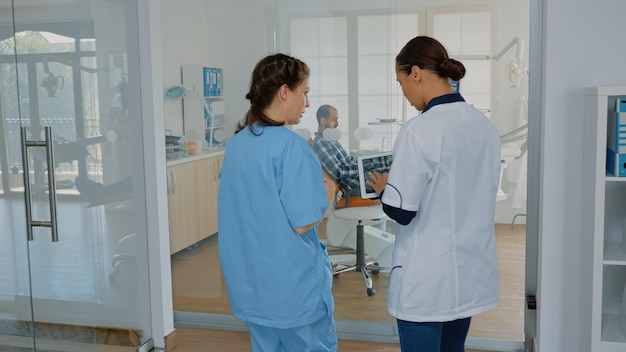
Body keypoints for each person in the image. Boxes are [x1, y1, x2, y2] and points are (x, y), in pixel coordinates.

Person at [367, 36, 501, 352]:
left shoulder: (419, 130)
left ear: (416, 73)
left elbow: (402, 211)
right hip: (467, 272)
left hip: (427, 281)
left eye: (401, 84)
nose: (405, 94)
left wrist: (386, 189)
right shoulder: (483, 126)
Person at [217, 53, 337, 352]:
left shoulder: (238, 144)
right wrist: (330, 191)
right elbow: (303, 222)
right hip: (291, 289)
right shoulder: (292, 147)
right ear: (285, 92)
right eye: (304, 93)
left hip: (252, 285)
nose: (307, 103)